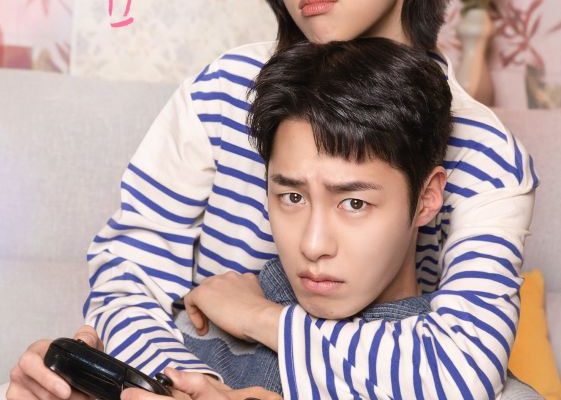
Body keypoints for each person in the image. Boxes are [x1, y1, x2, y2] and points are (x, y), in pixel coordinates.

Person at [8, 0, 538, 399]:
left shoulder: (484, 153)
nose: (314, 243)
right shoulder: (220, 93)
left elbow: (462, 366)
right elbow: (128, 279)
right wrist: (186, 386)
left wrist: (259, 317)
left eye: (353, 202)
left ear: (427, 196)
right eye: (289, 194)